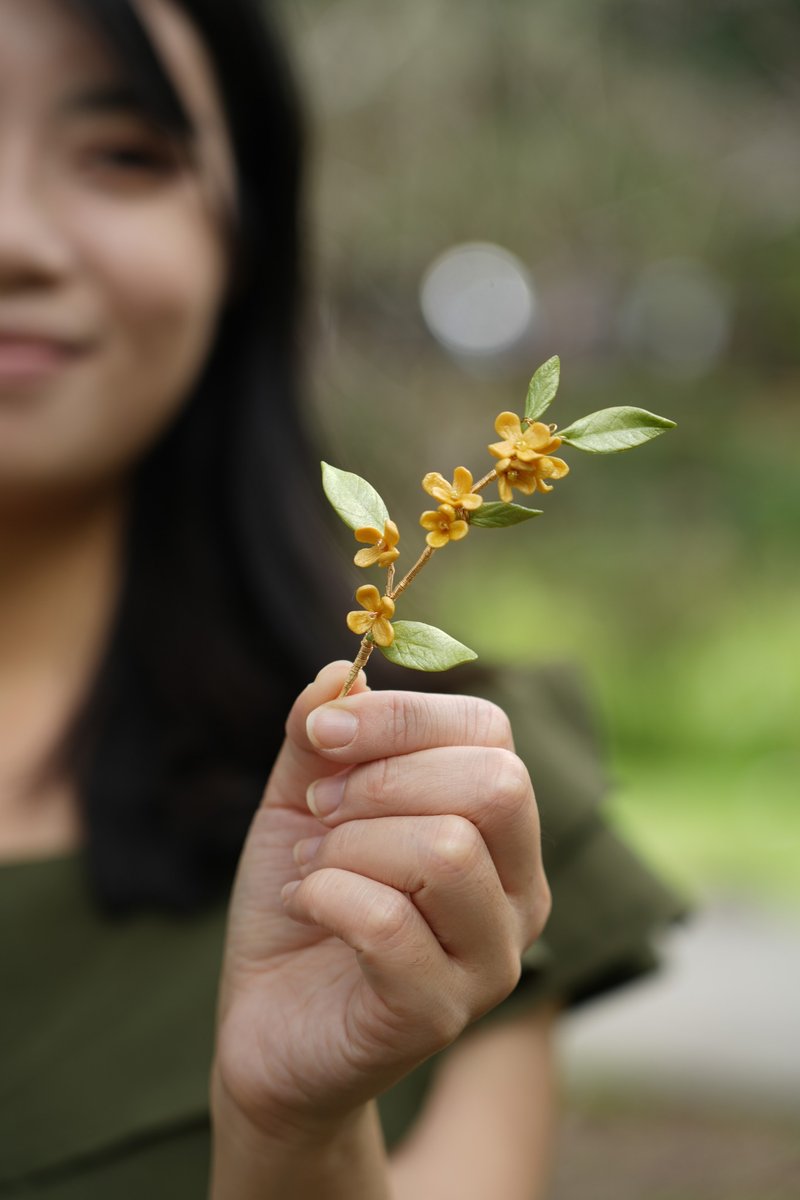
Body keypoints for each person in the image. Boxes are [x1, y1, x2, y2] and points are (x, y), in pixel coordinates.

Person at [0, 1, 684, 1196]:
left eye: (123, 154)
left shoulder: (428, 801)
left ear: (241, 243)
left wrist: (297, 1136)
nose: (14, 237)